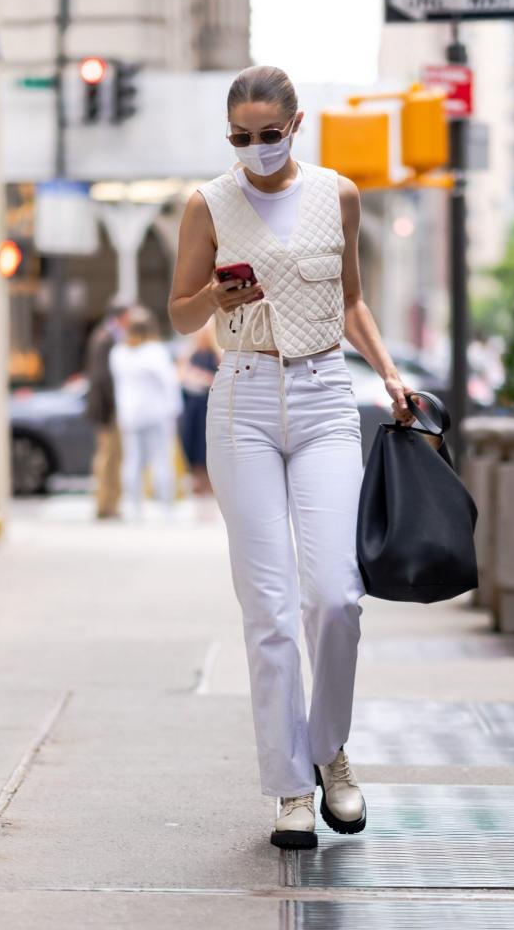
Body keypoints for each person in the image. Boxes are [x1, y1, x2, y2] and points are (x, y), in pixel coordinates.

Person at [168, 65, 416, 850]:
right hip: (241, 399)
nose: (255, 150)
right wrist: (216, 295)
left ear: (296, 124)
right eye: (240, 137)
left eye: (268, 135)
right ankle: (289, 791)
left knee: (336, 595)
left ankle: (330, 752)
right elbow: (178, 315)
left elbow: (350, 301)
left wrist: (388, 371)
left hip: (321, 398)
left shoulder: (337, 194)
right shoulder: (207, 203)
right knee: (269, 609)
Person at [109, 306, 183, 518]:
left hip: (130, 414)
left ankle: (134, 507)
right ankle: (166, 508)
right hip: (157, 413)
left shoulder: (118, 353)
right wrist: (175, 409)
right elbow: (169, 383)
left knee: (133, 461)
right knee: (162, 459)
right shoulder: (156, 352)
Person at [85, 302, 129, 519]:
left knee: (112, 457)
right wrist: (115, 405)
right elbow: (103, 377)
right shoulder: (106, 338)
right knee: (107, 456)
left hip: (108, 407)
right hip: (108, 408)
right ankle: (104, 503)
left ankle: (109, 503)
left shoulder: (106, 336)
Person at [176, 319, 221, 495]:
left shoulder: (216, 354)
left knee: (207, 443)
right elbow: (180, 374)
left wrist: (205, 378)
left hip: (208, 404)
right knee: (192, 442)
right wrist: (191, 376)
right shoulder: (189, 353)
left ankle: (210, 481)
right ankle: (197, 477)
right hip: (192, 405)